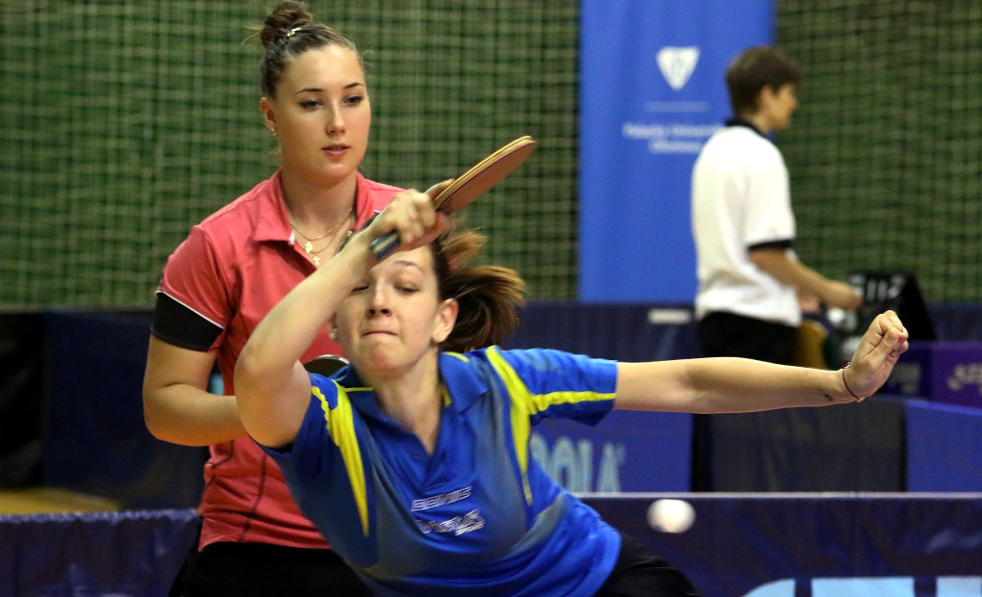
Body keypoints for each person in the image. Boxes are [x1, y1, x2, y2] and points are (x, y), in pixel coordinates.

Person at [233, 188, 909, 596]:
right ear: (335, 325)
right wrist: (366, 248)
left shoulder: (502, 381)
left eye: (405, 285)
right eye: (361, 290)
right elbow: (259, 368)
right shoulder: (324, 425)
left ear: (443, 319)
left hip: (601, 584)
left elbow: (686, 378)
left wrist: (842, 383)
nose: (380, 301)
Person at [141, 2, 394, 594]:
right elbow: (164, 407)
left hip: (395, 539)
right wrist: (282, 412)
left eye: (353, 99)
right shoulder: (216, 245)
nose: (337, 122)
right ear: (270, 116)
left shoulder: (409, 227)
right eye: (311, 103)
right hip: (259, 546)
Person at [691, 45, 863, 366]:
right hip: (758, 330)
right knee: (758, 418)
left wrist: (791, 291)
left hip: (715, 322)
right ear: (767, 95)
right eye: (789, 93)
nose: (794, 103)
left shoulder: (710, 152)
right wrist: (828, 291)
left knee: (720, 416)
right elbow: (765, 253)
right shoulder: (761, 155)